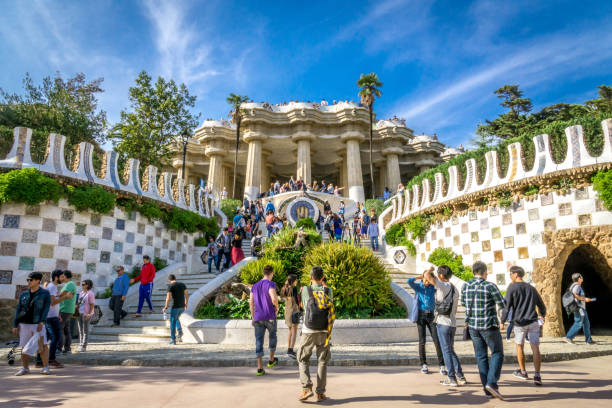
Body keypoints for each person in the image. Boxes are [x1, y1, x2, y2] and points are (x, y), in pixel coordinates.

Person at [461, 261, 507, 400]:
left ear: (474, 271)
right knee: (497, 352)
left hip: (473, 327)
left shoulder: (466, 285)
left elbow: (463, 302)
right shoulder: (489, 286)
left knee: (481, 356)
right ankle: (492, 383)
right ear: (484, 271)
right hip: (488, 325)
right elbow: (502, 303)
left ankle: (487, 389)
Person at [500, 265, 546, 386]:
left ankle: (523, 372)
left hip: (519, 323)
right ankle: (537, 375)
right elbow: (541, 305)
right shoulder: (531, 288)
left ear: (515, 274)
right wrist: (542, 315)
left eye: (510, 274)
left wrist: (502, 321)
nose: (510, 276)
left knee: (519, 346)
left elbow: (506, 306)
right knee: (535, 347)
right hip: (533, 321)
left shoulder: (512, 288)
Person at [298, 266, 334, 402]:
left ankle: (307, 388)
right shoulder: (328, 291)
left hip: (308, 330)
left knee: (302, 359)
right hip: (324, 330)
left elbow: (302, 305)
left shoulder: (305, 290)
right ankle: (320, 393)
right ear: (323, 277)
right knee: (322, 361)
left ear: (310, 277)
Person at [431, 266, 466, 386]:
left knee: (446, 351)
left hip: (443, 322)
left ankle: (451, 378)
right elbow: (455, 310)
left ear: (441, 275)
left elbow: (427, 276)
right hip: (452, 323)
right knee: (450, 350)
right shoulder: (455, 289)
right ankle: (460, 376)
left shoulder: (442, 286)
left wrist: (430, 269)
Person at [13, 272, 52, 376]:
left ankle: (46, 367)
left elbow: (46, 308)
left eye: (31, 280)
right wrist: (15, 324)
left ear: (38, 281)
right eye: (28, 280)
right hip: (24, 324)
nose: (29, 282)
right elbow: (18, 309)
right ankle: (25, 368)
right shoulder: (24, 294)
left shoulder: (45, 293)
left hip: (37, 324)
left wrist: (42, 321)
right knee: (24, 346)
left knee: (42, 346)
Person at [408, 271, 445, 375]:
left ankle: (442, 365)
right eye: (425, 279)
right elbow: (409, 281)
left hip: (431, 316)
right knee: (422, 341)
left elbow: (438, 283)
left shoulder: (432, 287)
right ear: (422, 278)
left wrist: (431, 277)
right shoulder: (418, 287)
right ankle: (423, 364)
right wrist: (419, 276)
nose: (426, 281)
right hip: (420, 315)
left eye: (428, 279)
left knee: (436, 340)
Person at [249, 265, 279, 376]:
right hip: (270, 316)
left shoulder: (255, 286)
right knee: (272, 337)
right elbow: (274, 298)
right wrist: (276, 308)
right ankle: (271, 360)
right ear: (271, 273)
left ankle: (260, 368)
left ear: (263, 273)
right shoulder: (270, 284)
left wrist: (253, 317)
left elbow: (251, 302)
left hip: (258, 318)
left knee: (259, 341)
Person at [39, 270, 67, 368]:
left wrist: (58, 314)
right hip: (50, 318)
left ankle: (39, 361)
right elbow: (52, 302)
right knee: (56, 337)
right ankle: (51, 359)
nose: (63, 278)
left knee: (45, 339)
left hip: (52, 316)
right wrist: (65, 297)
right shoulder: (52, 287)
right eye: (62, 277)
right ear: (56, 277)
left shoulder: (52, 287)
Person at [564, 272, 595, 345]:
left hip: (581, 308)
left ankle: (588, 340)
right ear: (578, 278)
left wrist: (587, 299)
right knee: (578, 323)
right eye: (581, 276)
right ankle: (568, 337)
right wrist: (584, 299)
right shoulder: (577, 286)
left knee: (586, 324)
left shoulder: (576, 286)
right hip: (579, 308)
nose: (582, 277)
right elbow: (575, 294)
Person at [163, 274, 189, 345]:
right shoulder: (182, 284)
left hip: (175, 307)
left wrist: (165, 307)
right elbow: (187, 294)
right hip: (182, 307)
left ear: (169, 280)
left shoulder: (170, 286)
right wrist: (186, 303)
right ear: (175, 278)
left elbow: (168, 298)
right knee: (176, 318)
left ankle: (173, 340)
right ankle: (180, 331)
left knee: (172, 322)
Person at [281, 274, 300, 359]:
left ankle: (289, 348)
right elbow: (296, 301)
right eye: (296, 280)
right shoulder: (294, 289)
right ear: (293, 281)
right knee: (294, 331)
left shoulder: (285, 288)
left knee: (290, 331)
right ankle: (291, 350)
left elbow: (282, 299)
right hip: (294, 311)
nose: (297, 281)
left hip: (287, 312)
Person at [58, 270, 76, 354]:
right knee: (66, 330)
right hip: (67, 309)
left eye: (62, 276)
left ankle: (59, 348)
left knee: (60, 329)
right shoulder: (69, 284)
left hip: (65, 309)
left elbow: (62, 294)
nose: (61, 278)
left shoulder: (70, 284)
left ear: (66, 276)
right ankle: (67, 348)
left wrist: (52, 294)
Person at [76, 279, 95, 352]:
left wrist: (89, 314)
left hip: (86, 314)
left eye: (83, 284)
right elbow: (79, 303)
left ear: (87, 285)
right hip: (79, 313)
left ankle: (84, 346)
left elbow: (92, 304)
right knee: (80, 330)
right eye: (82, 284)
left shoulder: (90, 293)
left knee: (85, 330)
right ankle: (80, 344)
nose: (82, 286)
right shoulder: (81, 293)